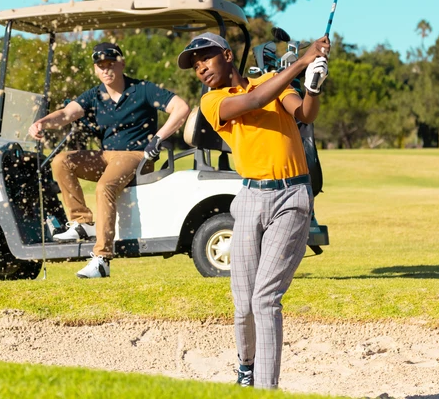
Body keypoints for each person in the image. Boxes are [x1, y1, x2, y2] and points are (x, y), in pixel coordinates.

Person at [177, 32, 330, 389]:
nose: (200, 67)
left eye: (205, 57)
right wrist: (301, 62)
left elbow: (304, 115)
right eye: (195, 64)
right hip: (248, 198)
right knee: (243, 301)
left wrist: (313, 87)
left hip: (292, 197)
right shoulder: (213, 102)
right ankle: (246, 367)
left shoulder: (272, 82)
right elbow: (256, 98)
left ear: (227, 56)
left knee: (265, 299)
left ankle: (265, 388)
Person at [28, 42, 190, 279]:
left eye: (111, 64)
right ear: (95, 69)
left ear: (121, 63)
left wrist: (158, 138)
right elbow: (65, 114)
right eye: (100, 66)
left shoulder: (143, 89)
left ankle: (102, 258)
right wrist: (42, 123)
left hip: (135, 155)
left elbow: (181, 107)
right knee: (62, 161)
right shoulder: (95, 95)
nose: (106, 69)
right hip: (106, 156)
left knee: (105, 186)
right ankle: (81, 221)